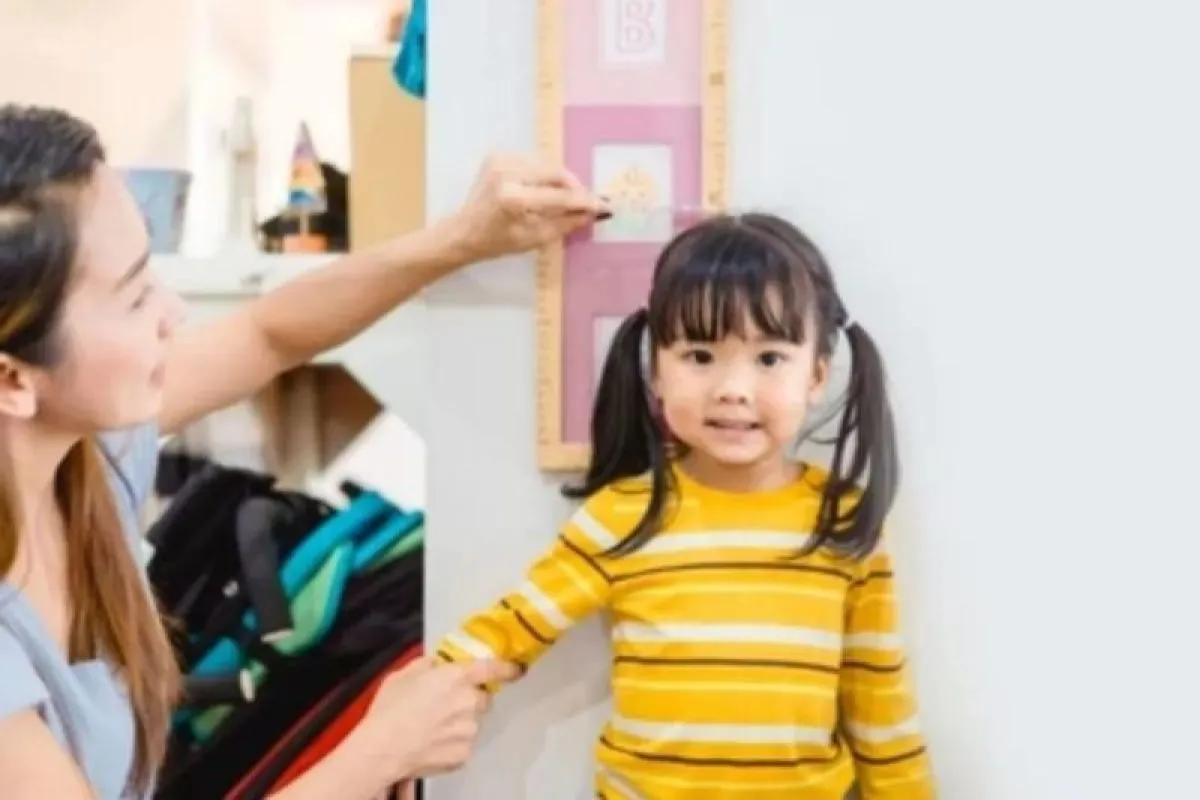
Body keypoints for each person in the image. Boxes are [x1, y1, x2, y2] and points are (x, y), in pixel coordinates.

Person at [0, 104, 606, 799]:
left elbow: (269, 334)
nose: (173, 311)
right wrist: (380, 750)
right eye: (134, 297)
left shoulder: (83, 462)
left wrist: (462, 239)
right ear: (13, 380)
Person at [435, 213, 936, 798]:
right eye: (699, 356)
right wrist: (415, 708)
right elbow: (510, 628)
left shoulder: (845, 522)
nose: (733, 389)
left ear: (816, 376)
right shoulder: (622, 517)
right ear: (657, 372)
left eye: (769, 358)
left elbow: (880, 702)